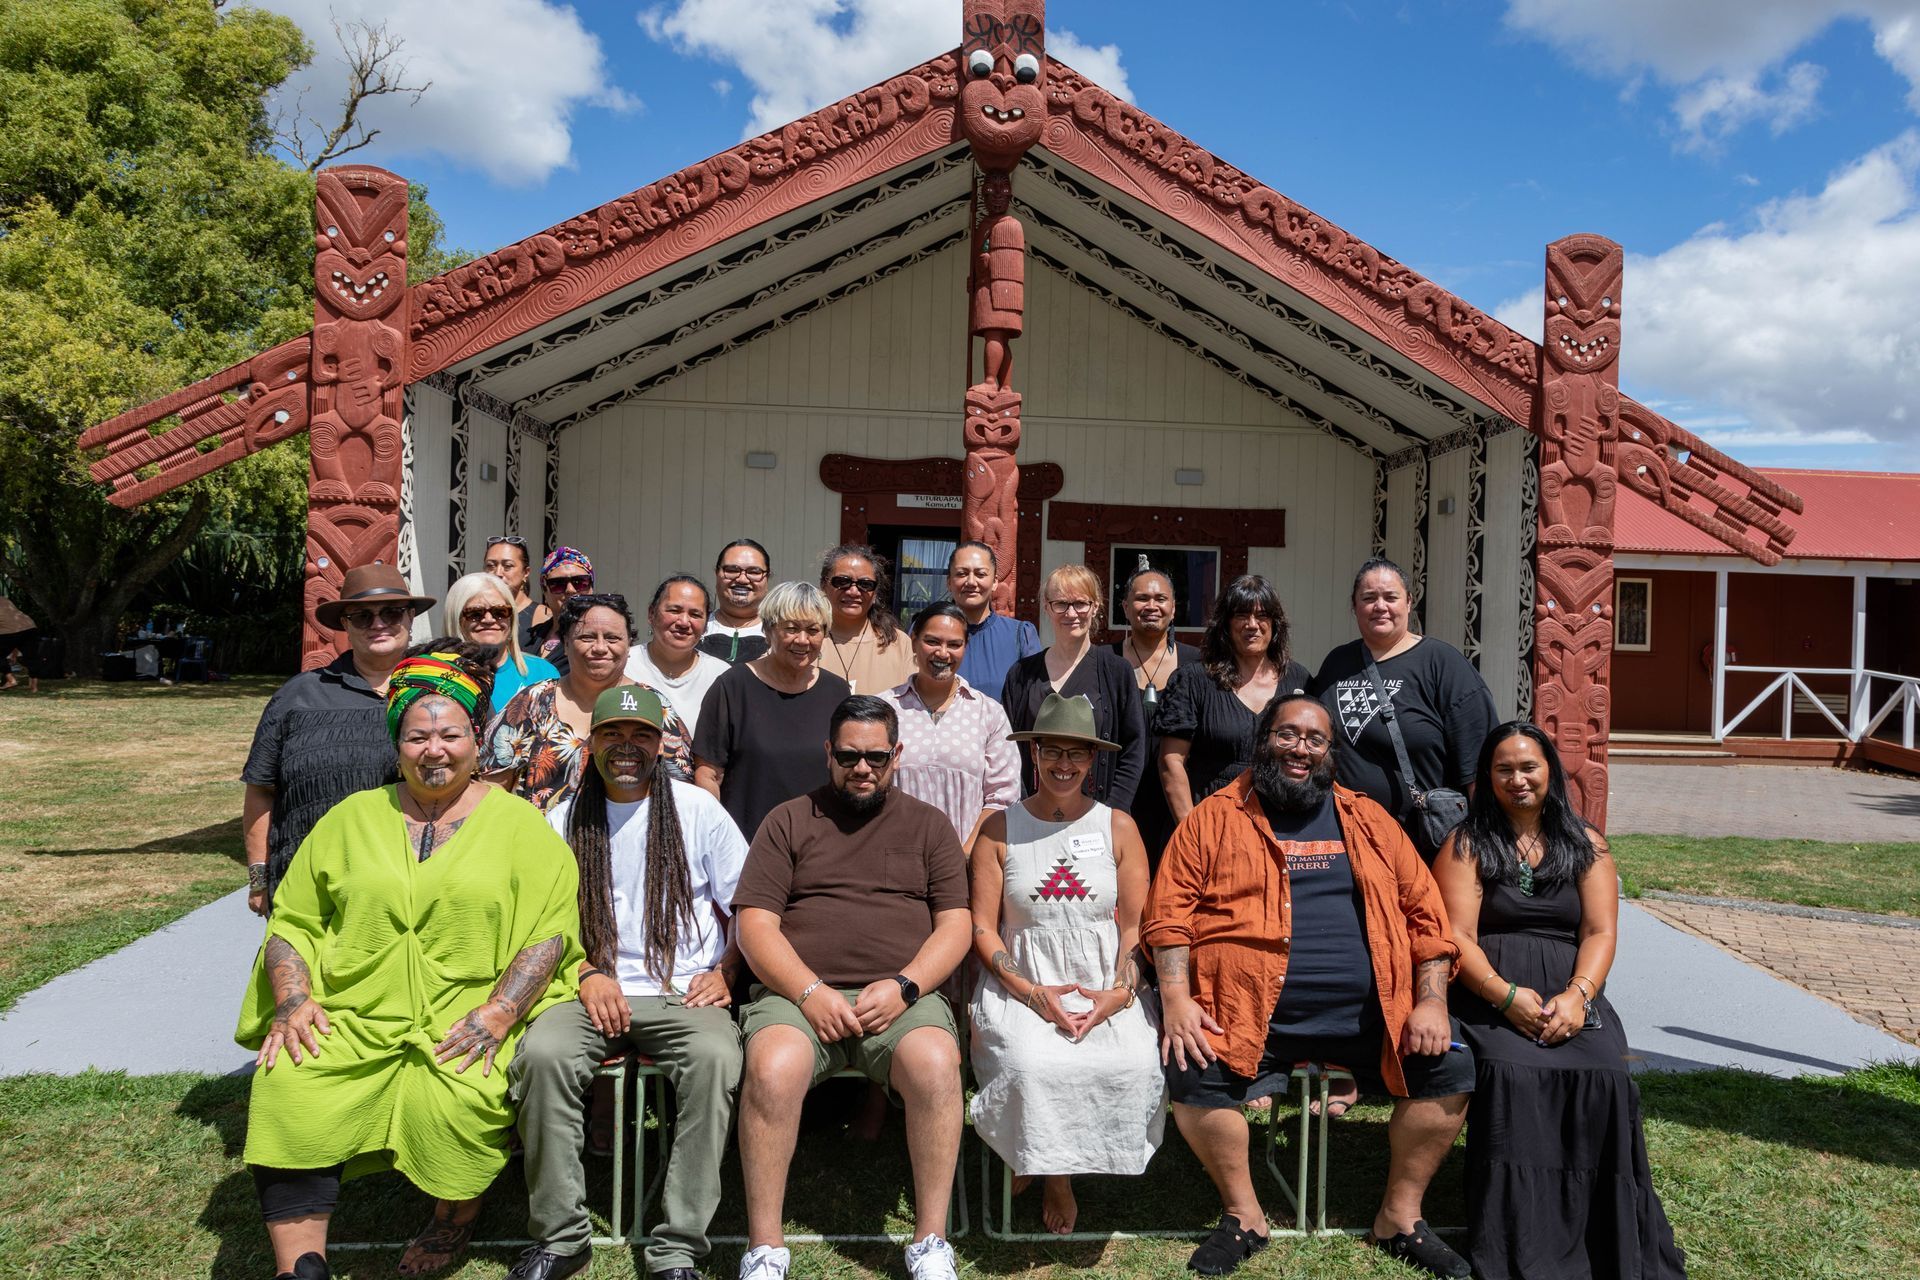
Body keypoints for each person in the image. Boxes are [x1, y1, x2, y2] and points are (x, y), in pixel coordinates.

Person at [237, 642, 582, 1280]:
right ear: (397, 742)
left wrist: (500, 1013)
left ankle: (451, 1222)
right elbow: (295, 919)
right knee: (291, 1081)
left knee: (460, 1096)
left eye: (450, 734)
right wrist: (293, 1000)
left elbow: (549, 930)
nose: (435, 750)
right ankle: (299, 1265)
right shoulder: (351, 818)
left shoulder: (520, 825)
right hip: (353, 1009)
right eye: (418, 735)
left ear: (477, 740)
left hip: (465, 1010)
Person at [1145, 694, 1472, 1279]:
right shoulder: (1213, 817)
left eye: (1314, 739)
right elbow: (1168, 917)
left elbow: (1428, 918)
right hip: (1245, 1014)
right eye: (1287, 734)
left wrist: (1431, 1000)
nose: (1300, 748)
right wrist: (1176, 998)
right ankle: (1244, 1215)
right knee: (1192, 1069)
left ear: (1329, 752)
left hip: (1377, 1016)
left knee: (1450, 1067)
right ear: (1263, 739)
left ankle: (1399, 1216)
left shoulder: (1370, 820)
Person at [508, 686, 749, 1280]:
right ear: (590, 745)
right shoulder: (563, 817)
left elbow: (750, 906)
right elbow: (537, 921)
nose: (626, 747)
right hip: (585, 987)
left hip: (682, 989)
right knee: (541, 1055)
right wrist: (587, 971)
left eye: (640, 735)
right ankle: (562, 1238)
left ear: (660, 744)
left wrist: (726, 970)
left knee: (717, 1058)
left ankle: (677, 1247)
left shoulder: (697, 810)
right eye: (612, 734)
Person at [1434, 722, 1686, 1280]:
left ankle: (1601, 1234)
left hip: (1570, 985)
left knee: (1605, 1075)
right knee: (1510, 1072)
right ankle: (1521, 1239)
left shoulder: (1586, 842)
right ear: (1486, 777)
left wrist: (1578, 997)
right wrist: (1504, 998)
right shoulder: (1466, 842)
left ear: (1550, 772)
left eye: (1529, 767)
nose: (1518, 779)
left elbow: (1600, 932)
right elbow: (1457, 937)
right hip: (1489, 986)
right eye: (1504, 769)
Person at [730, 696, 971, 1280]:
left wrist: (906, 986)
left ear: (897, 756)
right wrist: (811, 993)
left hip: (899, 1000)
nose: (862, 768)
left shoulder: (929, 825)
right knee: (772, 1069)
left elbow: (956, 924)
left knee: (938, 1064)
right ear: (828, 753)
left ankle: (931, 1243)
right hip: (798, 996)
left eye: (876, 757)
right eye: (848, 755)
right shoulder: (788, 820)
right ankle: (765, 1248)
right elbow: (754, 924)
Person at [969, 692, 1165, 1235]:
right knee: (1034, 1066)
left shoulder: (1118, 826)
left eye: (1076, 754)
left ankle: (1054, 1159)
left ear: (1093, 760)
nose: (1063, 764)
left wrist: (1119, 995)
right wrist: (1033, 993)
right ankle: (1052, 1169)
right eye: (1052, 751)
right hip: (1021, 978)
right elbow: (983, 926)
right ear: (1033, 755)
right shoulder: (998, 828)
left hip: (1105, 978)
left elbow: (1134, 925)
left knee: (1132, 1064)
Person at [241, 564, 430, 914]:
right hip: (309, 889)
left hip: (413, 888)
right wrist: (259, 878)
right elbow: (260, 788)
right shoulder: (297, 697)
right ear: (345, 624)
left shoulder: (439, 691)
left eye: (391, 612)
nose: (378, 624)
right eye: (362, 616)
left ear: (410, 616)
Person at [1311, 557, 1497, 859]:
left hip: (1422, 845)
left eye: (1390, 597)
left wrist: (1486, 845)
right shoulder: (1337, 663)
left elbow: (1479, 765)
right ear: (1354, 606)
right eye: (1368, 598)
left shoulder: (1443, 665)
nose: (1380, 606)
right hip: (1346, 839)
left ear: (1409, 602)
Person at [485, 594, 694, 811]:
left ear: (629, 646)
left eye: (613, 638)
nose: (600, 648)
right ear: (566, 644)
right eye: (587, 638)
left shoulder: (652, 705)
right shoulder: (531, 703)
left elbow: (681, 789)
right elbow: (493, 786)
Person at [693, 581, 850, 842]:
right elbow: (708, 774)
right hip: (747, 844)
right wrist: (717, 838)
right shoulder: (732, 687)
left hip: (820, 845)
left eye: (813, 630)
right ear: (767, 630)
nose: (802, 640)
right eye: (790, 629)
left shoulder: (837, 691)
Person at [1157, 574, 1312, 825]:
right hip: (1210, 819)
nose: (1252, 624)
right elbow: (1170, 761)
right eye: (1241, 615)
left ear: (1275, 624)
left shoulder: (1299, 680)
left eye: (1262, 615)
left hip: (1279, 821)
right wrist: (1190, 829)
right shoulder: (1194, 680)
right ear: (1226, 624)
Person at [1001, 564, 1147, 809]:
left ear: (1095, 606)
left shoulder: (1116, 671)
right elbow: (1007, 749)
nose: (1071, 614)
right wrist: (1024, 808)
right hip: (1032, 811)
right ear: (1047, 607)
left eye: (1080, 603)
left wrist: (1111, 812)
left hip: (1099, 813)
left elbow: (1133, 750)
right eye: (1060, 604)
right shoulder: (1021, 674)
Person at [878, 602, 1020, 846]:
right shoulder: (884, 709)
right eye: (932, 641)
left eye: (954, 644)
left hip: (965, 859)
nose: (943, 653)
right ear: (913, 641)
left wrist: (964, 855)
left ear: (965, 648)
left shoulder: (988, 713)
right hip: (893, 856)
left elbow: (1003, 797)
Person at [1110, 566, 1201, 865]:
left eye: (1161, 598)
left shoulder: (1199, 665)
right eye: (1141, 598)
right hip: (1120, 799)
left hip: (1179, 803)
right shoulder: (1104, 662)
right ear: (1125, 607)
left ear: (1173, 608)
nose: (1151, 606)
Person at [625, 575, 731, 740]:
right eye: (674, 610)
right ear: (651, 613)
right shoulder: (624, 664)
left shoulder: (722, 675)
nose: (683, 622)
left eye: (695, 614)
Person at [446, 571, 558, 709]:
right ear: (456, 619)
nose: (489, 620)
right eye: (475, 613)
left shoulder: (543, 673)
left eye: (500, 612)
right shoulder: (440, 677)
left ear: (511, 619)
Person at [946, 541, 1040, 704]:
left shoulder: (1020, 635)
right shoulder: (928, 634)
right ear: (949, 582)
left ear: (995, 582)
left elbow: (1033, 700)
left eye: (980, 574)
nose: (971, 582)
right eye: (961, 573)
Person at [815, 544, 914, 696]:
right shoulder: (806, 641)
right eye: (842, 582)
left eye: (865, 585)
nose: (853, 591)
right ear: (824, 585)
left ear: (875, 593)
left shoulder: (898, 644)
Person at [701, 538, 773, 664]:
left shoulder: (780, 634)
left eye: (754, 572)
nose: (742, 580)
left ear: (767, 579)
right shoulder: (695, 628)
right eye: (732, 570)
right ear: (716, 574)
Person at [528, 547, 597, 673]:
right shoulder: (528, 637)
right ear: (545, 591)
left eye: (580, 582)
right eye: (558, 584)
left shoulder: (601, 638)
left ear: (591, 587)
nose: (570, 590)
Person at [482, 535, 541, 652]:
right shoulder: (475, 612)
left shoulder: (542, 617)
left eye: (507, 566)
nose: (498, 573)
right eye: (490, 565)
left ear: (526, 572)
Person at [0, 593, 41, 693]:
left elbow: (11, 630)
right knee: (31, 657)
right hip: (30, 627)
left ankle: (11, 680)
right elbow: (12, 620)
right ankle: (34, 688)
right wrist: (14, 653)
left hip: (10, 631)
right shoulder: (4, 599)